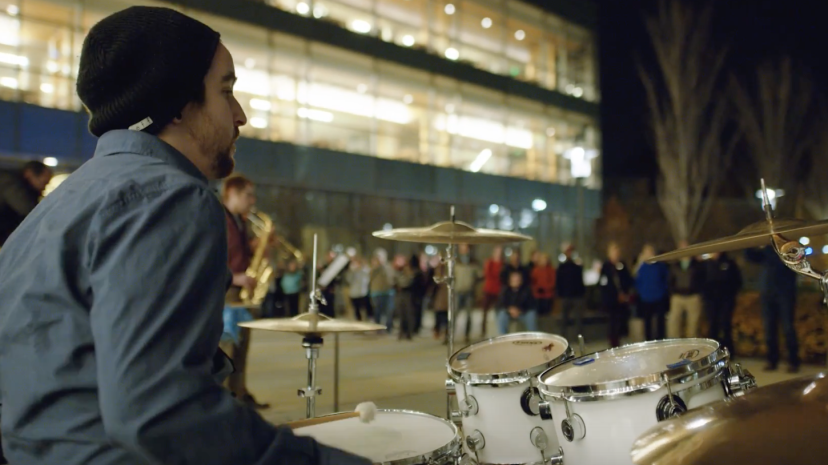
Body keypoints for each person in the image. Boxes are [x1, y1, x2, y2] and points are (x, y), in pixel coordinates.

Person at [0, 7, 370, 465]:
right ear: (176, 102)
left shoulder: (62, 202)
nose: (241, 115)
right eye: (226, 91)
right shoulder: (167, 196)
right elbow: (159, 414)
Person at [219, 174, 270, 409]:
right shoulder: (219, 218)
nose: (253, 200)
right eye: (248, 195)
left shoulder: (240, 221)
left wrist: (255, 248)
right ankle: (224, 400)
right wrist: (235, 276)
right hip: (227, 292)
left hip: (240, 294)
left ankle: (239, 394)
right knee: (227, 348)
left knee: (241, 347)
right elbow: (211, 256)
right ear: (233, 193)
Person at [745, 246, 799, 373]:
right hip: (768, 293)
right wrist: (749, 243)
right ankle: (772, 360)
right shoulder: (767, 250)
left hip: (785, 292)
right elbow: (751, 256)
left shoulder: (788, 249)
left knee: (788, 328)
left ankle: (793, 361)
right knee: (769, 328)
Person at [0, 160, 53, 246]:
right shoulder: (10, 183)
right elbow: (26, 209)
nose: (44, 188)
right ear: (29, 174)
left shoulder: (25, 188)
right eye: (43, 183)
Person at [702, 252, 742, 357]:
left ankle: (729, 352)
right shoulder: (706, 264)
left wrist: (731, 294)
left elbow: (737, 280)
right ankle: (713, 353)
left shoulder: (729, 263)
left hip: (726, 300)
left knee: (725, 325)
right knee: (712, 326)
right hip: (711, 300)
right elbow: (700, 280)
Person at [667, 241, 705, 339]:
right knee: (674, 322)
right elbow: (670, 279)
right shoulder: (675, 265)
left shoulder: (697, 264)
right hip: (678, 296)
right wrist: (672, 292)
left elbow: (702, 278)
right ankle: (675, 343)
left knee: (693, 324)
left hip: (693, 296)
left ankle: (692, 345)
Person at [600, 242, 633, 347]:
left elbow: (628, 280)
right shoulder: (606, 267)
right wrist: (614, 296)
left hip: (622, 302)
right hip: (611, 302)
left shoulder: (622, 265)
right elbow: (604, 284)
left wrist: (625, 294)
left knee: (622, 323)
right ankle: (614, 344)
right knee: (612, 325)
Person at [635, 244, 671, 340]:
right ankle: (649, 340)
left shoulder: (660, 266)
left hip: (659, 297)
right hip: (646, 299)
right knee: (647, 323)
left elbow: (666, 279)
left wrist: (663, 291)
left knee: (660, 322)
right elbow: (637, 281)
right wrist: (641, 293)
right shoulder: (641, 267)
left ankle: (661, 339)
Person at [556, 244, 586, 339]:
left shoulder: (577, 266)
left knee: (579, 319)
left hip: (577, 296)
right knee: (564, 319)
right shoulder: (561, 267)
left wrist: (582, 293)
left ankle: (580, 338)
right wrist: (560, 294)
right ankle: (563, 338)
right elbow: (559, 281)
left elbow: (581, 280)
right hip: (566, 296)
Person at [455, 243, 480, 343]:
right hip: (458, 291)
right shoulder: (456, 261)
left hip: (469, 292)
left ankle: (466, 335)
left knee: (469, 315)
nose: (465, 249)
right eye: (463, 246)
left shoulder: (473, 262)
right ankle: (449, 334)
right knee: (454, 314)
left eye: (466, 247)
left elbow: (479, 275)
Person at [481, 246, 503, 338]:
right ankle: (483, 330)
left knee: (498, 310)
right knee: (485, 311)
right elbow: (487, 274)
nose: (499, 253)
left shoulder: (503, 263)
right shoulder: (489, 262)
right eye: (497, 251)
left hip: (498, 290)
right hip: (489, 289)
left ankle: (499, 329)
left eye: (500, 252)